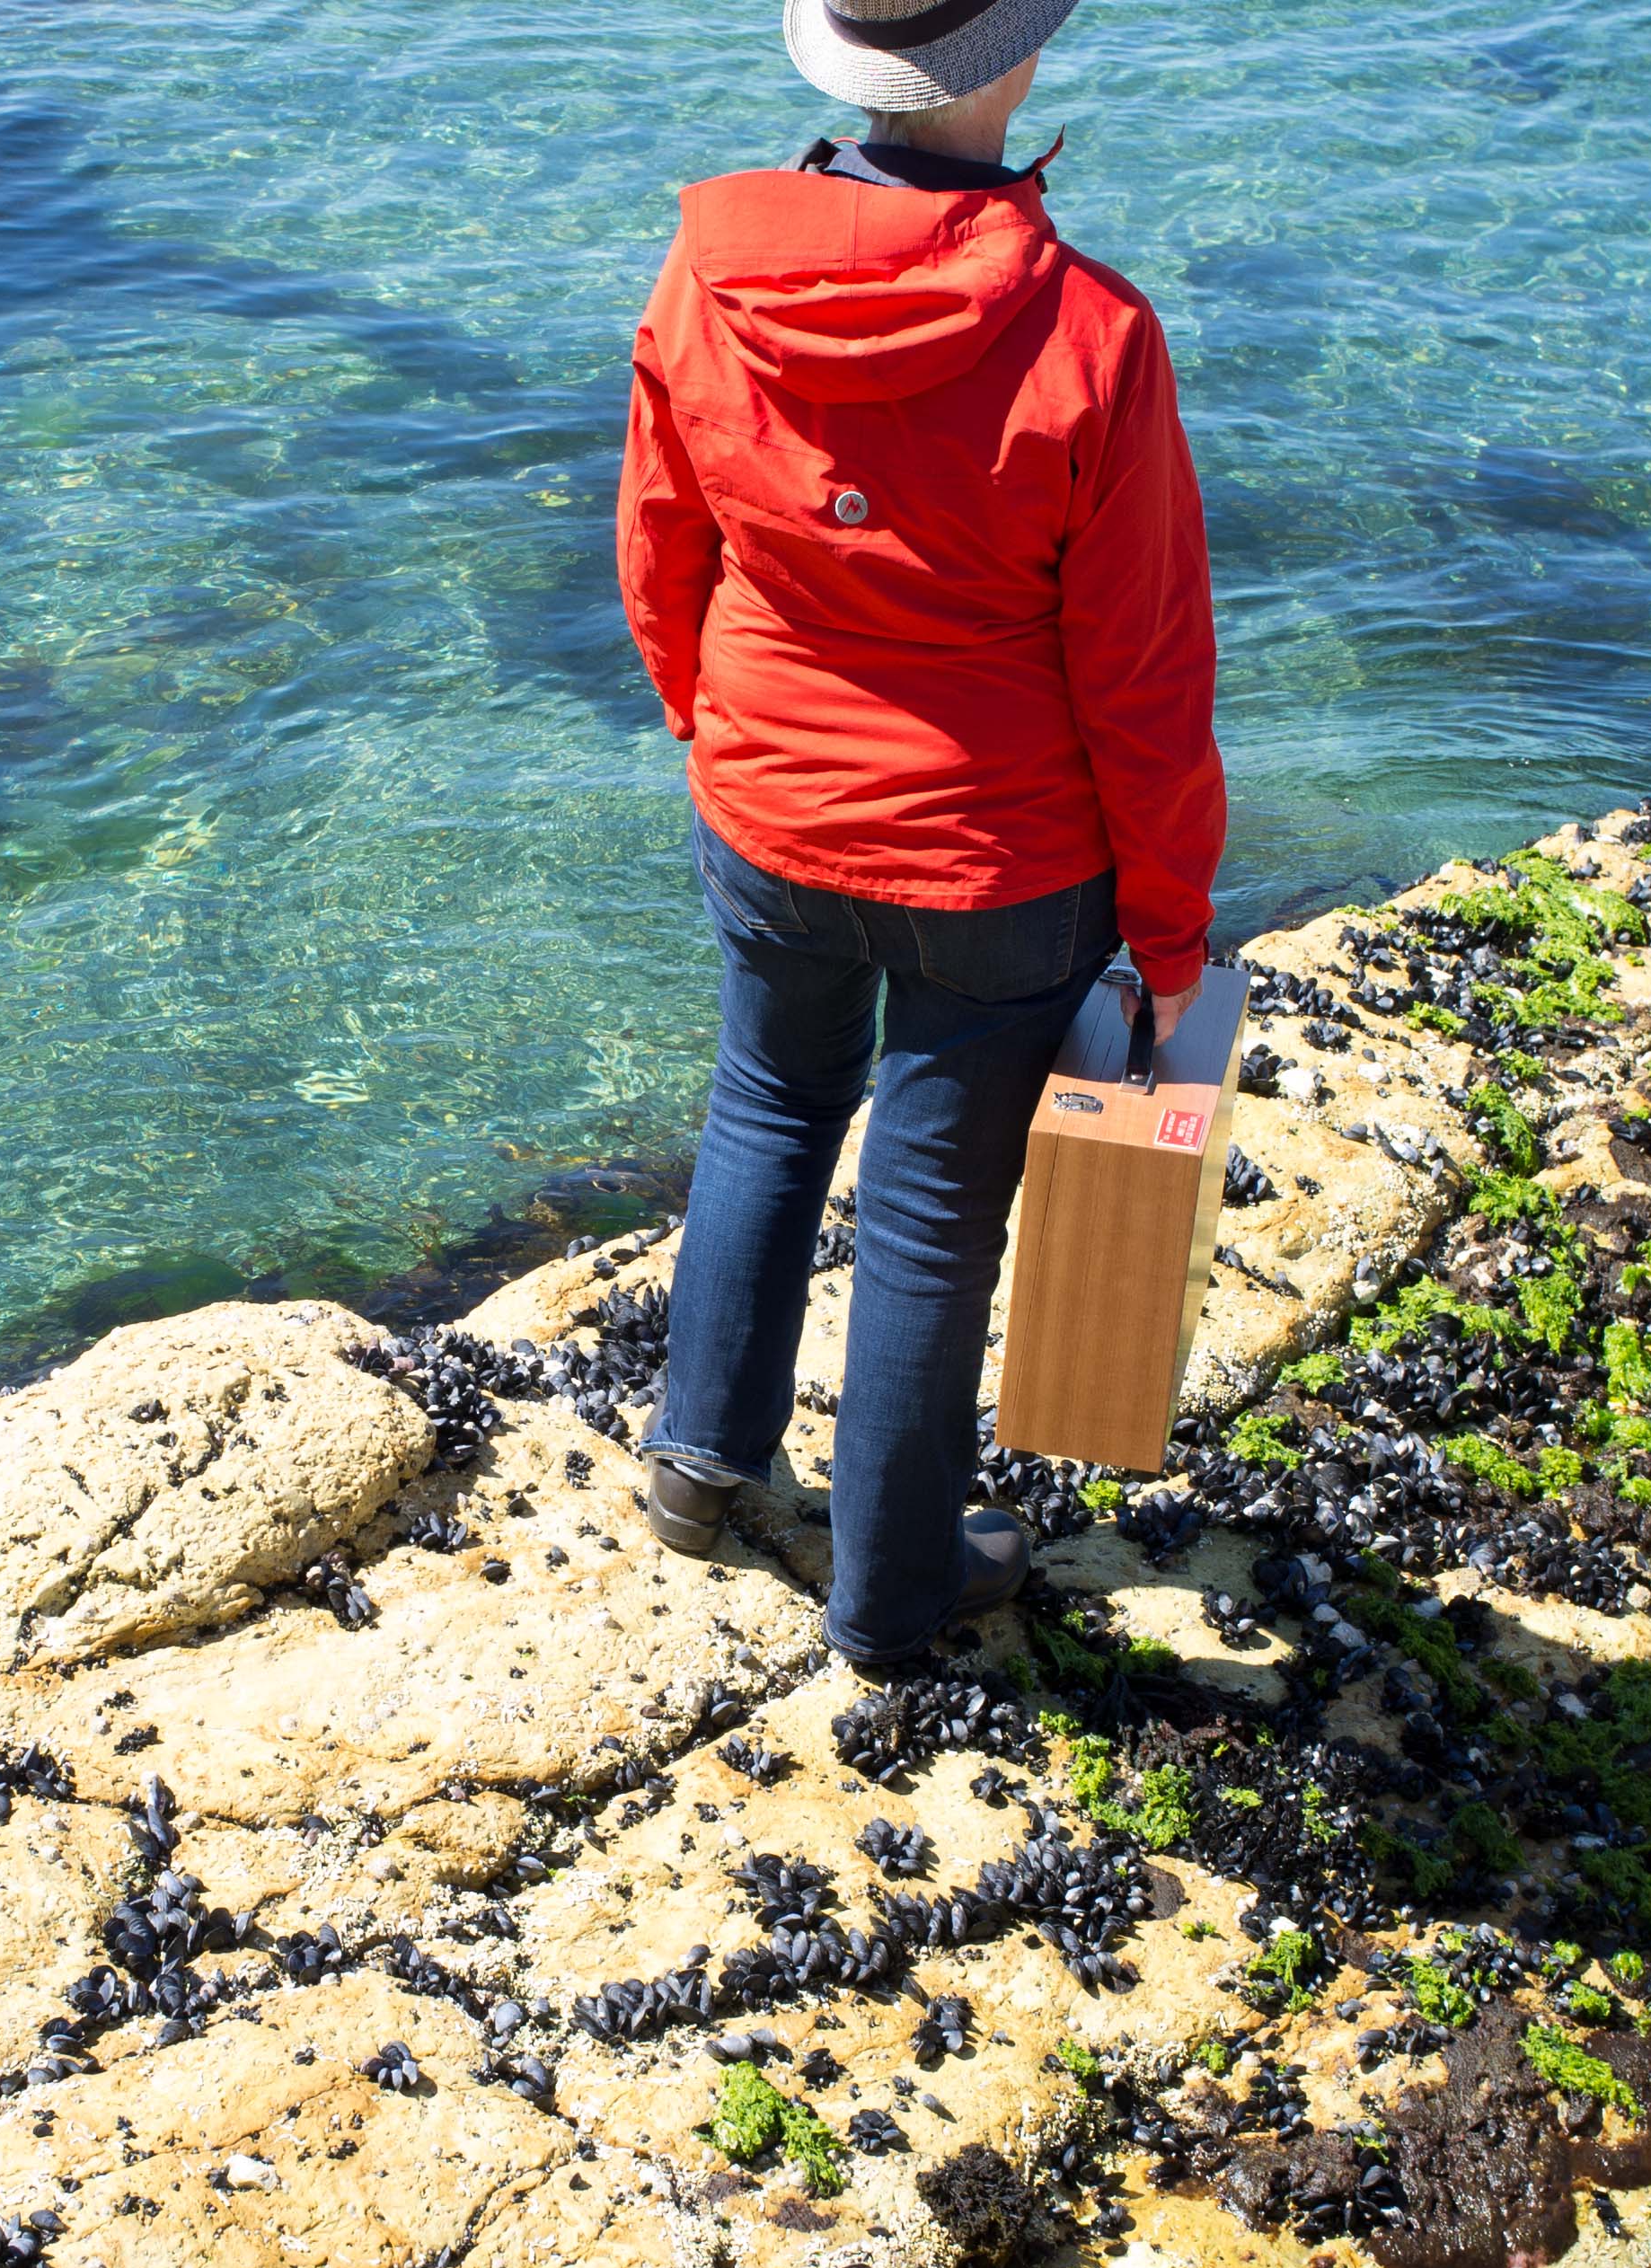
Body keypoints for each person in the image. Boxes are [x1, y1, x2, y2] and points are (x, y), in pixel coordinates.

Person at [617, 0, 1225, 1671]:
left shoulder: (708, 277)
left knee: (764, 1108)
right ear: (1014, 68)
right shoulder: (1094, 336)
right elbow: (1149, 681)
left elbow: (660, 552)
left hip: (770, 807)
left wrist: (716, 735)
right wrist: (1171, 938)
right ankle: (891, 1604)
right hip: (1000, 867)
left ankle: (696, 1467)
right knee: (931, 1216)